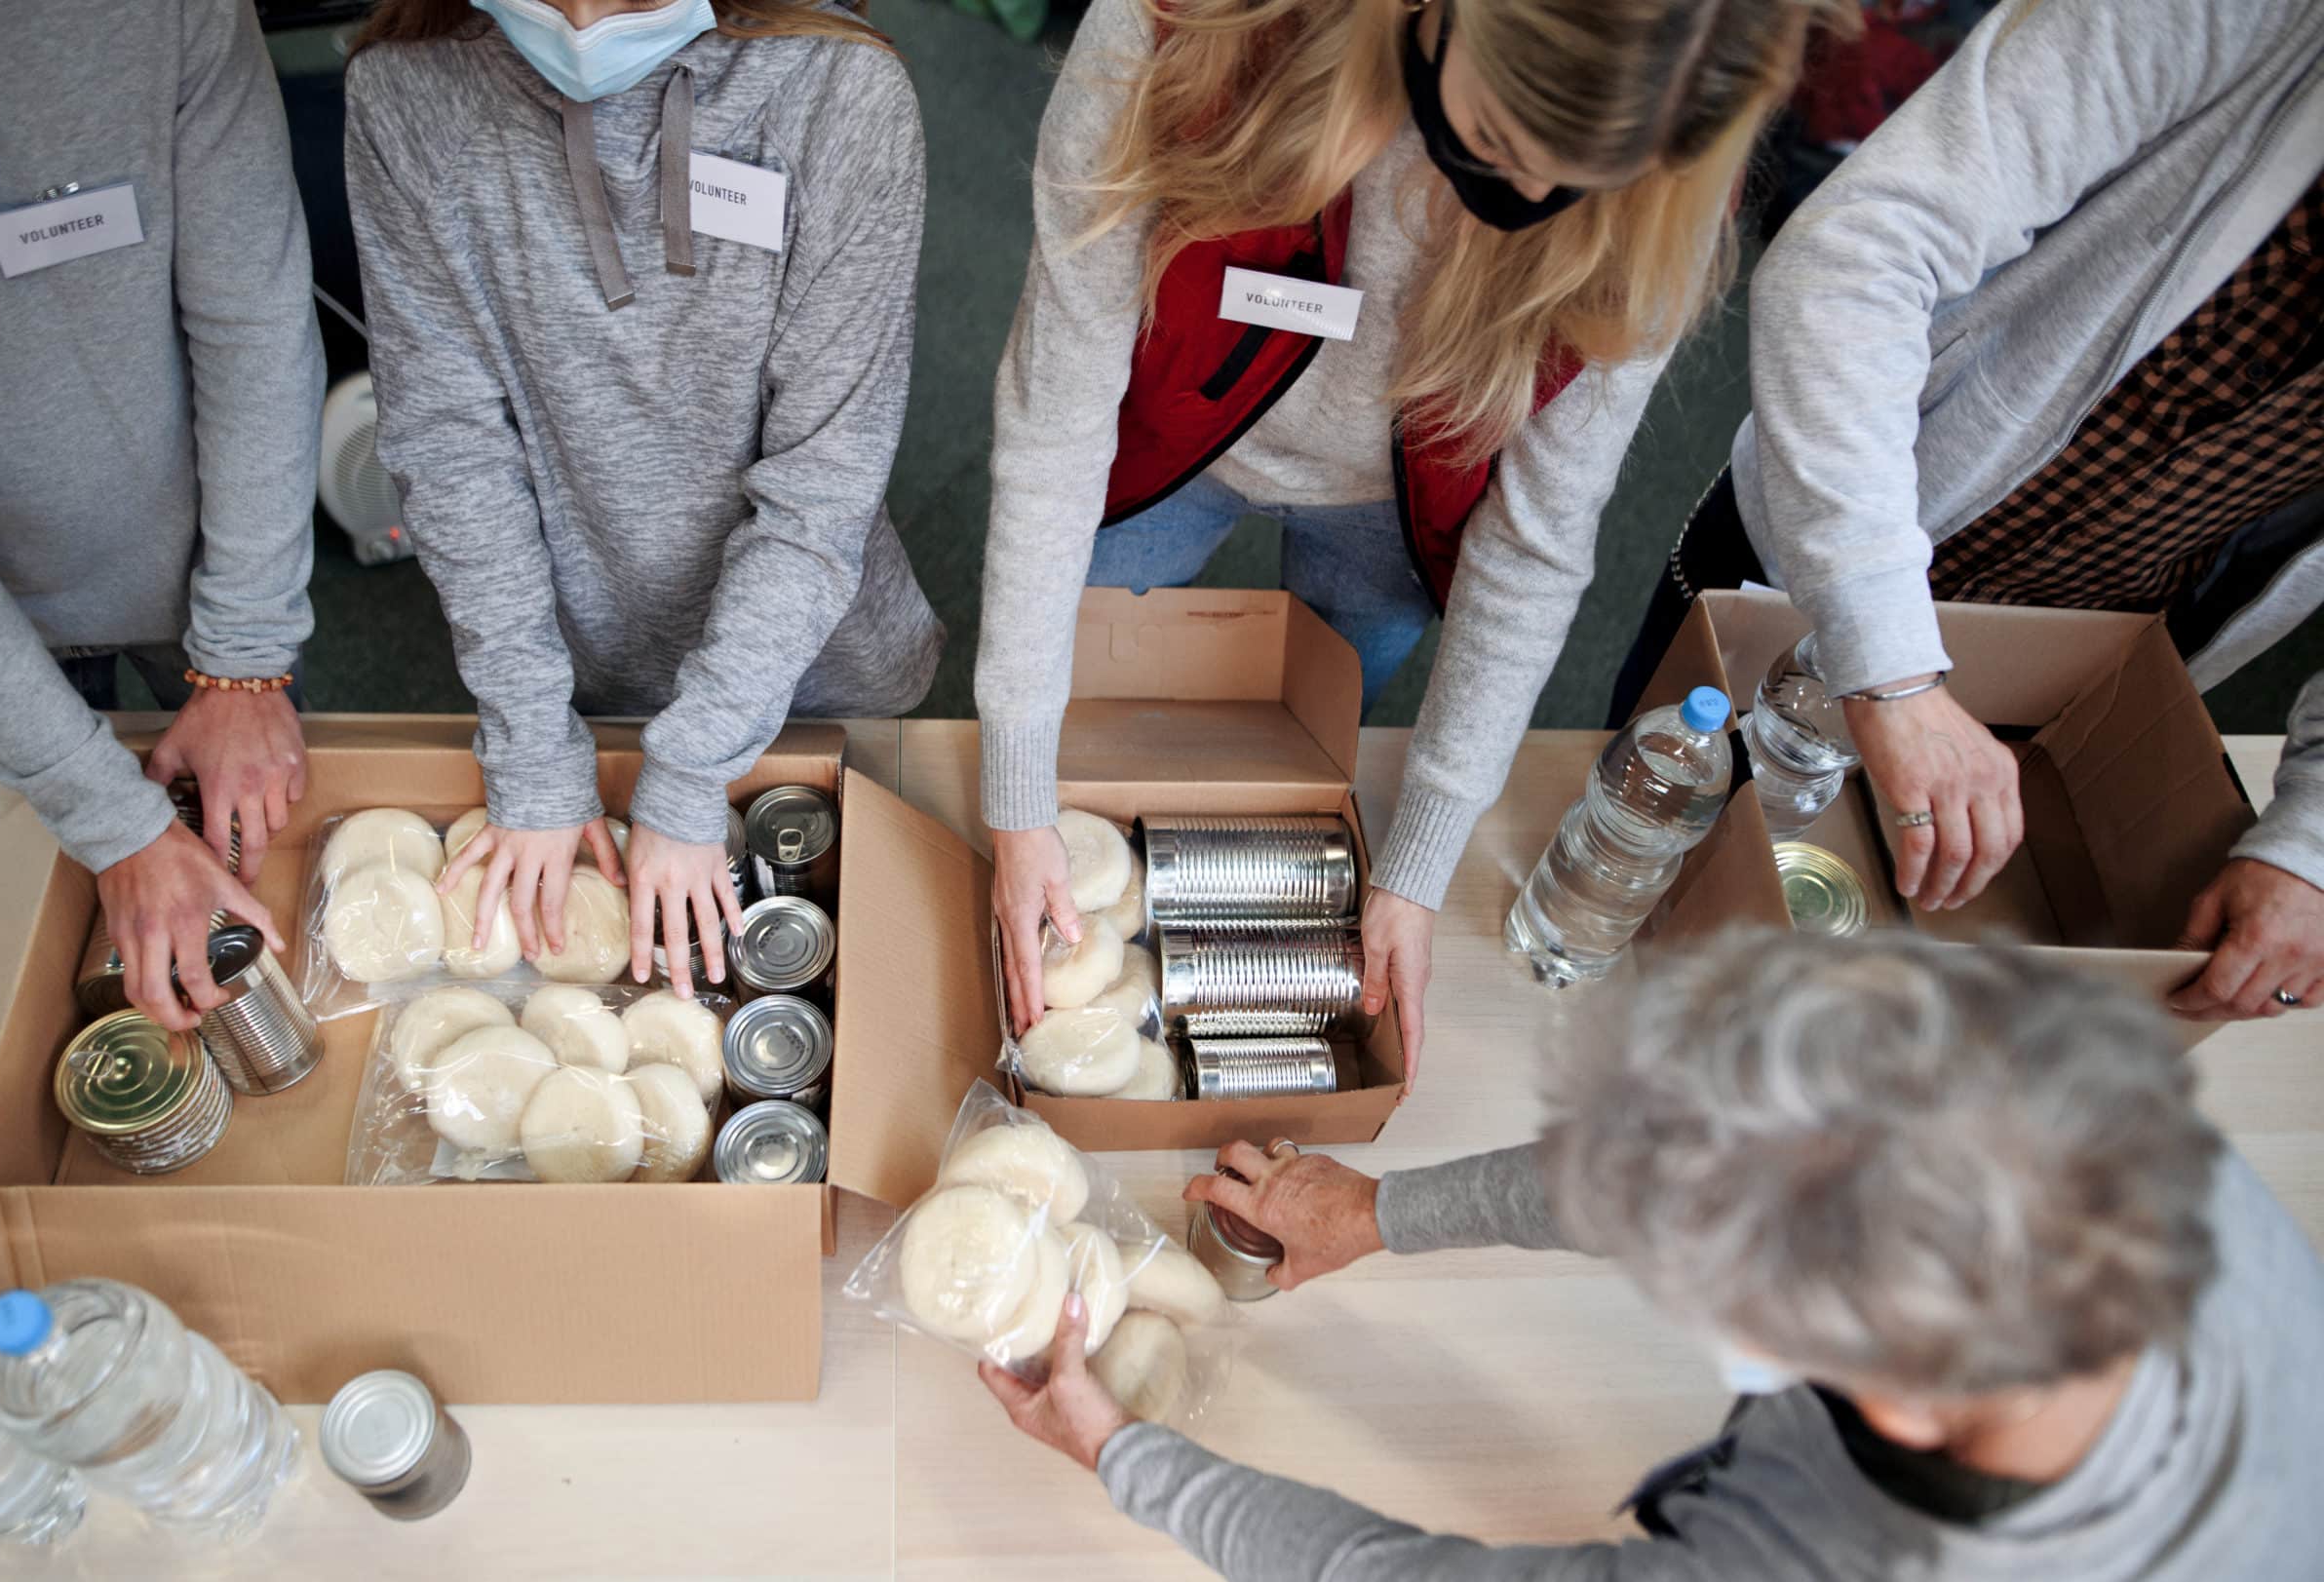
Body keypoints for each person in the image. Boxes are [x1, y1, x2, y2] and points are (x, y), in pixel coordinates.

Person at [976, 0, 1850, 1077]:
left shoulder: (1663, 180)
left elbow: (1534, 544)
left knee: (1314, 731)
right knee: (1077, 718)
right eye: (1497, 142)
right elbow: (1055, 418)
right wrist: (1018, 792)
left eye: (1578, 181)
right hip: (1163, 436)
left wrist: (1419, 864)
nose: (1528, 198)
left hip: (1399, 511)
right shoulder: (1183, 30)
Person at [982, 932, 2324, 1579]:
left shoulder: (1823, 1564)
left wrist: (1124, 1452)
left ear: (1891, 1395)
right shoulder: (2113, 1143)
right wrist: (1381, 1212)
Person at [1608, 0, 2324, 1020]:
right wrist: (1891, 665)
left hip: (2081, 686)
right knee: (1639, 861)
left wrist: (2310, 847)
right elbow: (1852, 255)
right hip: (1820, 563)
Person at [344, 0, 943, 991]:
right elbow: (450, 449)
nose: (583, 21)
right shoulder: (405, 92)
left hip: (815, 670)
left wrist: (694, 764)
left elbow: (820, 488)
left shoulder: (839, 91)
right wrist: (533, 746)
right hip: (574, 673)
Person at [0, 0, 320, 1031]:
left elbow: (254, 321)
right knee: (43, 906)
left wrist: (244, 655)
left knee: (268, 863)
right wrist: (108, 820)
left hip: (219, 569)